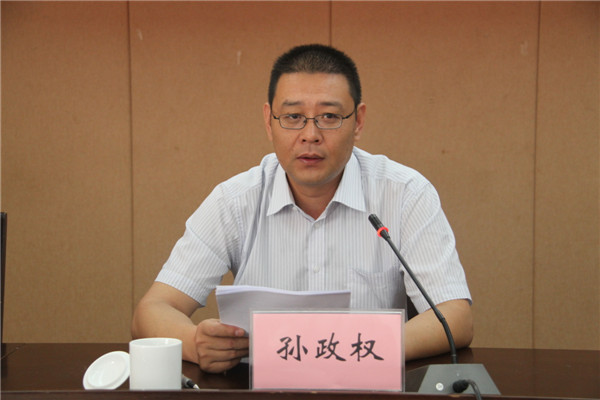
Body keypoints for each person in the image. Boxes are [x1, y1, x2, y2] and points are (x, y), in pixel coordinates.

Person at [132, 44, 473, 374]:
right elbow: (152, 310)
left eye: (329, 116)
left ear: (358, 121)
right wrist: (196, 343)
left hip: (369, 388)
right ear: (269, 121)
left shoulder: (406, 194)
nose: (310, 135)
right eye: (293, 117)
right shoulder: (234, 201)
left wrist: (355, 350)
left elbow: (454, 317)